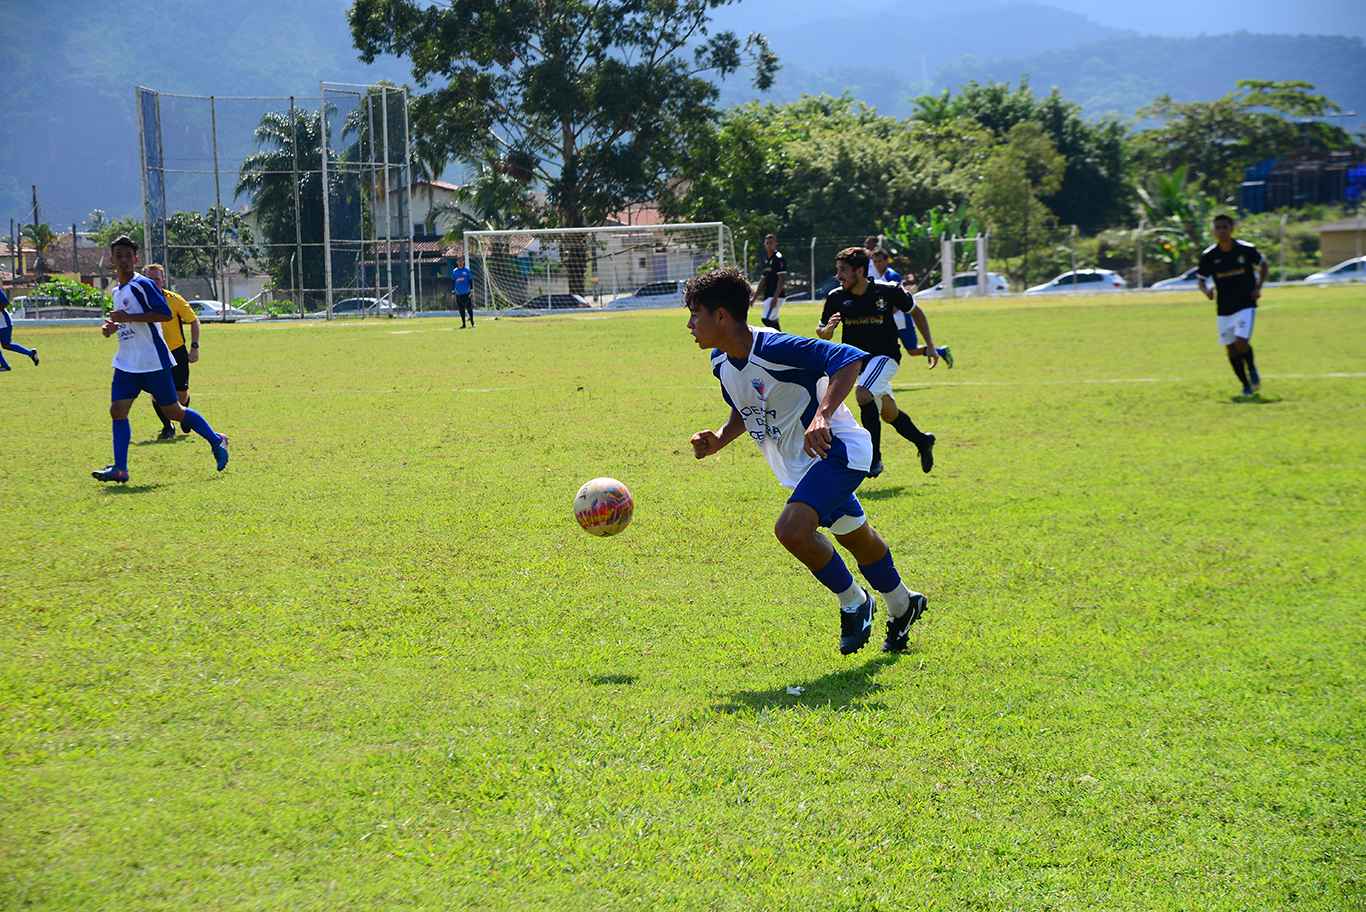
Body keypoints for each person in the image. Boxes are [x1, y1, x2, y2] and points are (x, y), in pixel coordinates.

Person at [686, 267, 928, 655]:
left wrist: (823, 415)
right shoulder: (721, 361)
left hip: (837, 451)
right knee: (857, 538)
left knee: (792, 529)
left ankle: (854, 601)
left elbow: (847, 359)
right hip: (802, 465)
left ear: (721, 316)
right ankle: (903, 605)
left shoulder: (774, 348)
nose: (689, 324)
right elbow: (745, 407)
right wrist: (719, 439)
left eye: (695, 314)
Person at [92, 235, 229, 483]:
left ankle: (216, 440)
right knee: (118, 410)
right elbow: (123, 318)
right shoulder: (117, 290)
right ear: (111, 259)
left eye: (127, 255)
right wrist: (111, 326)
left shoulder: (143, 284)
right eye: (118, 255)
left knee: (174, 411)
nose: (123, 260)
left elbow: (164, 314)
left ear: (136, 259)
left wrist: (127, 318)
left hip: (152, 361)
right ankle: (120, 469)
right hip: (126, 362)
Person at [818, 247, 939, 478]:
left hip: (886, 357)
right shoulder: (836, 297)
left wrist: (930, 345)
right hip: (858, 363)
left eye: (843, 270)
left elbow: (916, 312)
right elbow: (822, 331)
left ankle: (874, 459)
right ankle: (923, 441)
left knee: (863, 393)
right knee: (888, 413)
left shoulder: (888, 291)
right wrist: (828, 330)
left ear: (860, 271)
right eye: (837, 270)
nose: (838, 275)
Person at [1196, 214, 1268, 398]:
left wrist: (1258, 287)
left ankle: (1252, 370)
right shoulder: (1209, 255)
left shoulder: (1245, 249)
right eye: (1218, 227)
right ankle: (1245, 385)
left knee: (1240, 342)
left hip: (1245, 304)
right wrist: (1206, 291)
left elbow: (1263, 264)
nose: (1221, 231)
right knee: (1230, 348)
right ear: (1213, 231)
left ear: (1232, 228)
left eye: (1224, 227)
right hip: (1224, 308)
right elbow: (1201, 280)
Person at [141, 264, 200, 440]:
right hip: (153, 354)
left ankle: (184, 414)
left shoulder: (174, 299)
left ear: (163, 280)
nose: (153, 283)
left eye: (157, 279)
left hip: (176, 352)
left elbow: (194, 321)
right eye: (149, 279)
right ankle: (167, 427)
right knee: (156, 392)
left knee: (181, 393)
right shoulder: (141, 301)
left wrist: (194, 347)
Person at [872, 248, 954, 369]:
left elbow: (896, 303)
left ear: (886, 261)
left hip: (901, 320)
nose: (877, 264)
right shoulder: (880, 276)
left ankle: (941, 352)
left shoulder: (892, 276)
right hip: (891, 320)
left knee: (912, 350)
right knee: (881, 347)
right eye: (875, 261)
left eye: (879, 261)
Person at [0, 283, 40, 371]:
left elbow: (5, 303)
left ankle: (5, 366)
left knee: (6, 345)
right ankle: (30, 353)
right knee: (6, 345)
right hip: (3, 324)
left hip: (4, 323)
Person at [751, 233, 786, 331]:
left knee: (767, 319)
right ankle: (781, 342)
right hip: (768, 295)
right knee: (772, 320)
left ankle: (781, 340)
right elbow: (763, 280)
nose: (769, 245)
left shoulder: (778, 258)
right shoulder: (767, 260)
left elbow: (782, 279)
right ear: (764, 244)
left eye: (771, 243)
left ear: (776, 244)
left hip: (776, 296)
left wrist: (775, 297)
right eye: (767, 243)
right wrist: (754, 298)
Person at [451, 256, 474, 328]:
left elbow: (470, 280)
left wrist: (471, 290)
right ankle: (464, 324)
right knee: (461, 309)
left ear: (463, 262)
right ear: (457, 262)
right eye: (459, 261)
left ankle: (472, 322)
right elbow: (453, 281)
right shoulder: (455, 271)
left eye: (461, 261)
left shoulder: (467, 270)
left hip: (466, 293)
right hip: (458, 293)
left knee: (469, 308)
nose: (460, 263)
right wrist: (453, 292)